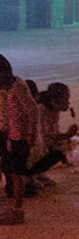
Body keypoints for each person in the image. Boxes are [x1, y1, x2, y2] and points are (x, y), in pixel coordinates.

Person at [1, 57, 32, 224]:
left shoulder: (17, 87)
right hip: (11, 136)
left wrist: (31, 134)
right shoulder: (9, 88)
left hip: (19, 137)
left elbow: (32, 109)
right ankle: (14, 208)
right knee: (11, 171)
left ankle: (17, 210)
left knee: (17, 173)